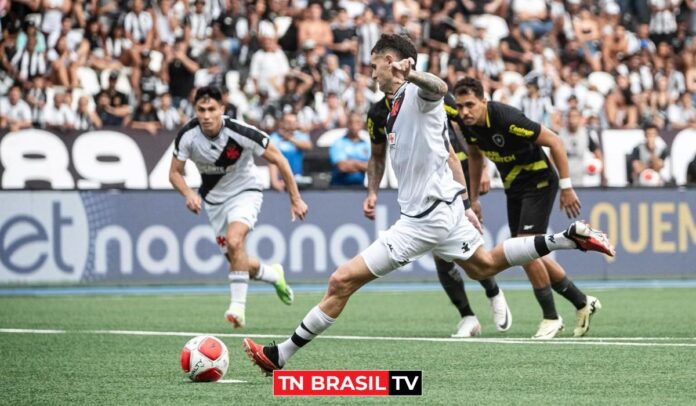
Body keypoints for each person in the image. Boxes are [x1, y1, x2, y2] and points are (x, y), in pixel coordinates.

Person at [243, 34, 614, 374]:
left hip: (424, 219)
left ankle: (279, 356)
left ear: (392, 62)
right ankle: (568, 238)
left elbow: (439, 87)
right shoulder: (389, 108)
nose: (372, 74)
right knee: (484, 266)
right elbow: (450, 155)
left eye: (374, 65)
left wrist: (413, 73)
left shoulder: (416, 95)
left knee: (341, 280)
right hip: (446, 210)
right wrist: (465, 202)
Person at [453, 76, 603, 340]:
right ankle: (582, 302)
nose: (464, 112)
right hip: (515, 186)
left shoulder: (506, 118)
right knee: (524, 251)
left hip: (540, 180)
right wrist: (473, 198)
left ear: (483, 102)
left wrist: (567, 187)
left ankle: (551, 317)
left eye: (470, 105)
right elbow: (476, 157)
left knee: (523, 246)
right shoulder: (467, 125)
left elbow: (555, 141)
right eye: (460, 106)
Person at [367, 92, 511, 338]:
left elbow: (467, 124)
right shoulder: (378, 113)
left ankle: (493, 291)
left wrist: (482, 167)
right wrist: (372, 192)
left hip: (457, 172)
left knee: (468, 249)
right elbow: (377, 156)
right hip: (427, 183)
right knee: (441, 254)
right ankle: (468, 315)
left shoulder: (428, 96)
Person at [169, 86, 308, 329]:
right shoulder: (187, 135)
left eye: (212, 109)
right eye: (201, 110)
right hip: (213, 201)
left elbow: (280, 160)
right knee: (236, 259)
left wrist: (295, 199)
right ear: (195, 110)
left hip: (246, 192)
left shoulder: (241, 132)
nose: (206, 115)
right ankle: (273, 274)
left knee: (235, 242)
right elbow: (174, 173)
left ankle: (238, 309)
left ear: (222, 109)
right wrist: (188, 193)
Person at [268, 113, 313, 191]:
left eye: (294, 122)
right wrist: (275, 182)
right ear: (282, 123)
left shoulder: (300, 135)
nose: (291, 125)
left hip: (297, 180)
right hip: (281, 180)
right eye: (288, 122)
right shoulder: (274, 138)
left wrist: (289, 138)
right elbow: (272, 160)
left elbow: (308, 146)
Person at [329, 112, 371, 186]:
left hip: (360, 189)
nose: (354, 125)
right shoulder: (338, 143)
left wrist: (352, 163)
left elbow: (372, 167)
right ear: (347, 124)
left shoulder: (366, 145)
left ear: (362, 125)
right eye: (351, 122)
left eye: (357, 122)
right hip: (338, 189)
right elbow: (342, 167)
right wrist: (362, 166)